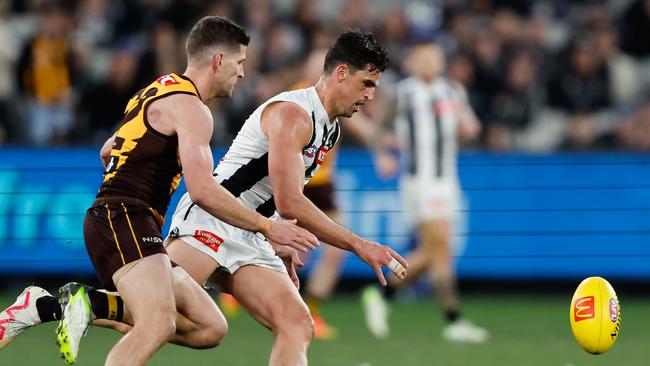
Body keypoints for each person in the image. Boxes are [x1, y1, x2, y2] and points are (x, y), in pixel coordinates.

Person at [0, 16, 317, 366]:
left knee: (209, 327)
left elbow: (109, 147)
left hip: (128, 218)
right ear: (218, 61)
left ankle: (48, 306)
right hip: (124, 217)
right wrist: (269, 227)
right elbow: (202, 191)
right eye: (239, 62)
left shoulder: (159, 88)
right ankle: (53, 306)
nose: (242, 73)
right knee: (156, 323)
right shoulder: (194, 110)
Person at [162, 29, 407, 365]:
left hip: (255, 232)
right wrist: (359, 245)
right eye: (367, 83)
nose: (371, 95)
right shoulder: (294, 115)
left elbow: (278, 195)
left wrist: (281, 243)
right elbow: (289, 200)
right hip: (217, 218)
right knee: (152, 311)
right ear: (340, 73)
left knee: (296, 322)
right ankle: (79, 304)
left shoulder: (329, 128)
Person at [362, 41, 489, 343]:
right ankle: (452, 320)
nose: (430, 63)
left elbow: (469, 125)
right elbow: (378, 127)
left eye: (434, 57)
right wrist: (381, 154)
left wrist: (471, 129)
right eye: (423, 58)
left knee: (436, 252)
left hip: (448, 180)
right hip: (420, 181)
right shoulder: (403, 93)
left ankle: (382, 293)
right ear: (413, 63)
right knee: (440, 248)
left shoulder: (453, 91)